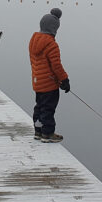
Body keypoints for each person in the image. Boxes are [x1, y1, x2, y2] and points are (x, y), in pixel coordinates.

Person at [29, 8, 70, 143]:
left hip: (37, 81)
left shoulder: (33, 41)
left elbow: (34, 62)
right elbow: (56, 66)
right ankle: (47, 133)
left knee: (39, 106)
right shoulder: (52, 44)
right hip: (49, 84)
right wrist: (64, 80)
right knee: (48, 109)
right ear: (54, 28)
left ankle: (38, 131)